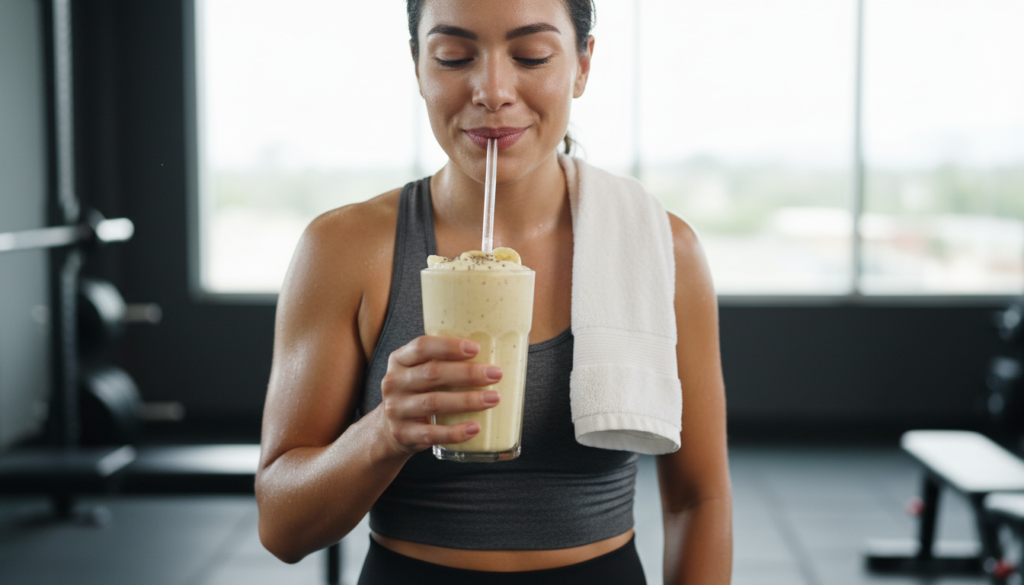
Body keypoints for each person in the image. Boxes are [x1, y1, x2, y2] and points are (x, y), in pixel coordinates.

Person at [255, 0, 732, 582]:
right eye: (454, 57)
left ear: (582, 65)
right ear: (418, 67)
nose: (492, 90)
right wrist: (385, 431)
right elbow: (282, 527)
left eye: (531, 55)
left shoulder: (661, 249)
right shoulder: (345, 249)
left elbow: (697, 501)